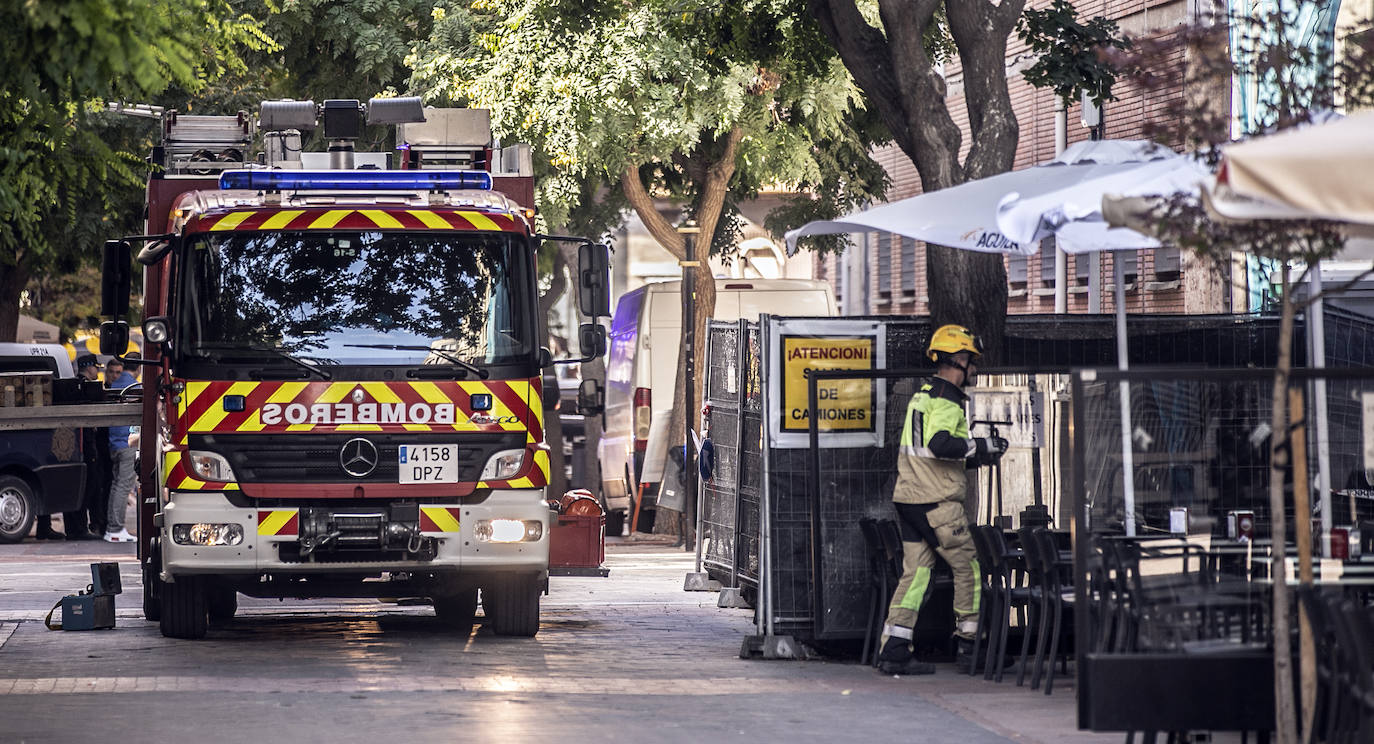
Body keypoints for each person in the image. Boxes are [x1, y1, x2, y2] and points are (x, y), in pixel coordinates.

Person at [876, 324, 1007, 676]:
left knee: (916, 574)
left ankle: (894, 649)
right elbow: (940, 444)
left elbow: (931, 450)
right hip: (937, 503)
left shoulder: (923, 396)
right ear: (959, 359)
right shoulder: (948, 400)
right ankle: (971, 646)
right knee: (970, 567)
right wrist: (982, 446)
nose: (974, 370)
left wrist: (976, 456)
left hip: (910, 498)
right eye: (972, 362)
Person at [103, 356, 139, 543]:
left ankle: (112, 528)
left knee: (116, 485)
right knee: (123, 487)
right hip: (128, 443)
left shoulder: (116, 384)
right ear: (139, 369)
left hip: (114, 443)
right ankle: (115, 529)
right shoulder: (136, 388)